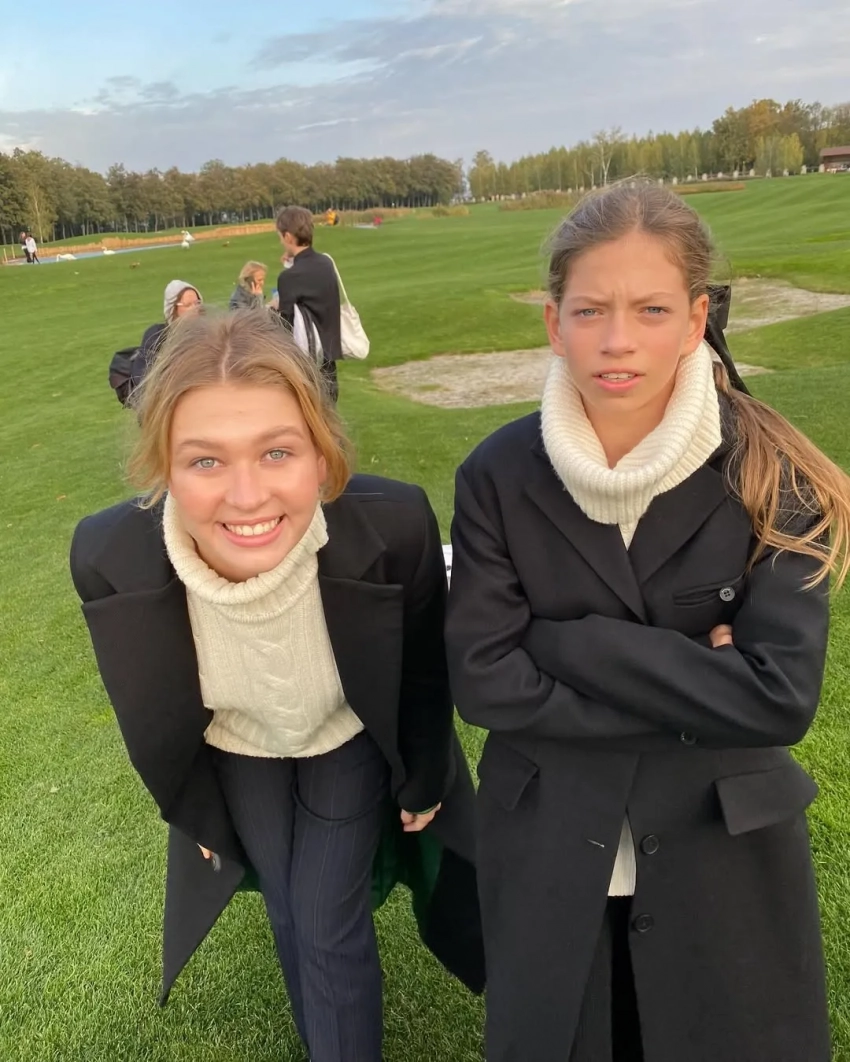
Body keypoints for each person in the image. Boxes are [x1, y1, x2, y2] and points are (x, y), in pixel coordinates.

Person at [445, 180, 849, 1062]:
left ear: (696, 319)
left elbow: (778, 699)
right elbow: (483, 683)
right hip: (551, 845)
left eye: (651, 309)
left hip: (722, 853)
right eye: (589, 310)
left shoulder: (773, 471)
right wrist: (699, 684)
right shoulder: (496, 475)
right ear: (554, 324)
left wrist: (561, 642)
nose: (617, 339)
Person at [70, 309, 484, 1062]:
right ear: (162, 466)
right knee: (290, 910)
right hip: (238, 746)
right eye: (205, 461)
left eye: (277, 452)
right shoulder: (109, 557)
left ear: (321, 455)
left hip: (341, 735)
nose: (247, 495)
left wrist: (426, 777)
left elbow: (424, 672)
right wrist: (196, 815)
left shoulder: (394, 528)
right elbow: (147, 712)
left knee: (326, 918)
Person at [275, 205, 342, 402]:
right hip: (329, 359)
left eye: (280, 237)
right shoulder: (326, 263)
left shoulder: (288, 278)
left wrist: (273, 307)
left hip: (306, 366)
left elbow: (285, 327)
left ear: (288, 237)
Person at [130, 279, 202, 391]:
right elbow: (142, 379)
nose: (195, 309)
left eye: (197, 303)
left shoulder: (207, 335)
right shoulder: (156, 337)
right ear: (172, 309)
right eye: (188, 305)